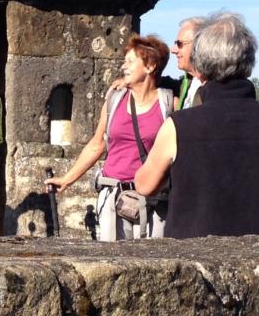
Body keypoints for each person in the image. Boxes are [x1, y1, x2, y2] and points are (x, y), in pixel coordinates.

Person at [135, 12, 259, 238]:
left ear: (200, 66)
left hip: (192, 264)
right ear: (249, 62)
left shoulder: (179, 125)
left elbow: (144, 185)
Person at [46, 34, 174, 241]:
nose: (124, 66)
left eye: (131, 62)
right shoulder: (115, 101)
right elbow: (97, 145)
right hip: (113, 196)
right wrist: (66, 180)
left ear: (150, 66)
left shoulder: (169, 104)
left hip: (154, 201)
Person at [170, 17, 206, 109]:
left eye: (179, 44)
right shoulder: (184, 84)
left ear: (198, 44)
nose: (173, 50)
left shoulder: (217, 89)